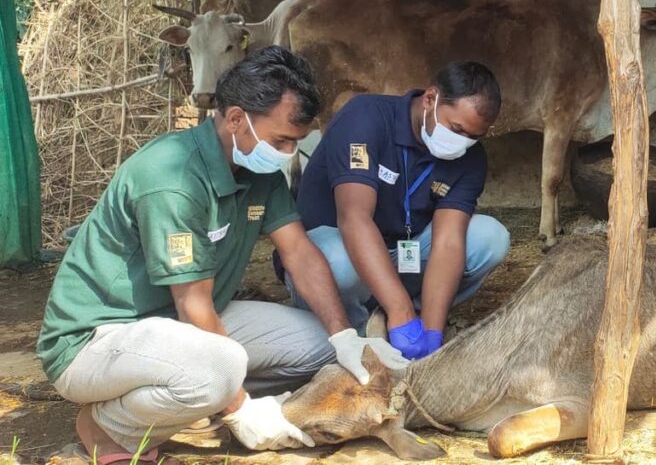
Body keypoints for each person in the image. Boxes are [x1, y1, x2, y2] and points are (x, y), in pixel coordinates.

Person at [36, 47, 407, 464]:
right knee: (218, 370)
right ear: (235, 119)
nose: (288, 152)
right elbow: (192, 302)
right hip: (99, 339)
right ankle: (110, 426)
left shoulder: (258, 170)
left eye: (296, 142)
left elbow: (300, 253)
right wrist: (240, 408)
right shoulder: (170, 178)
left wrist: (344, 337)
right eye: (281, 139)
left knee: (323, 344)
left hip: (181, 324)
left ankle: (185, 398)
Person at [284, 61, 510, 360]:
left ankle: (409, 322)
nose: (463, 142)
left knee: (490, 238)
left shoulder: (469, 158)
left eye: (474, 136)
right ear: (430, 99)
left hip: (400, 255)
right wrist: (400, 310)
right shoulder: (365, 117)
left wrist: (432, 332)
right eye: (457, 129)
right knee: (339, 260)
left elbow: (448, 241)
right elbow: (354, 219)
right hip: (338, 251)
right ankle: (359, 330)